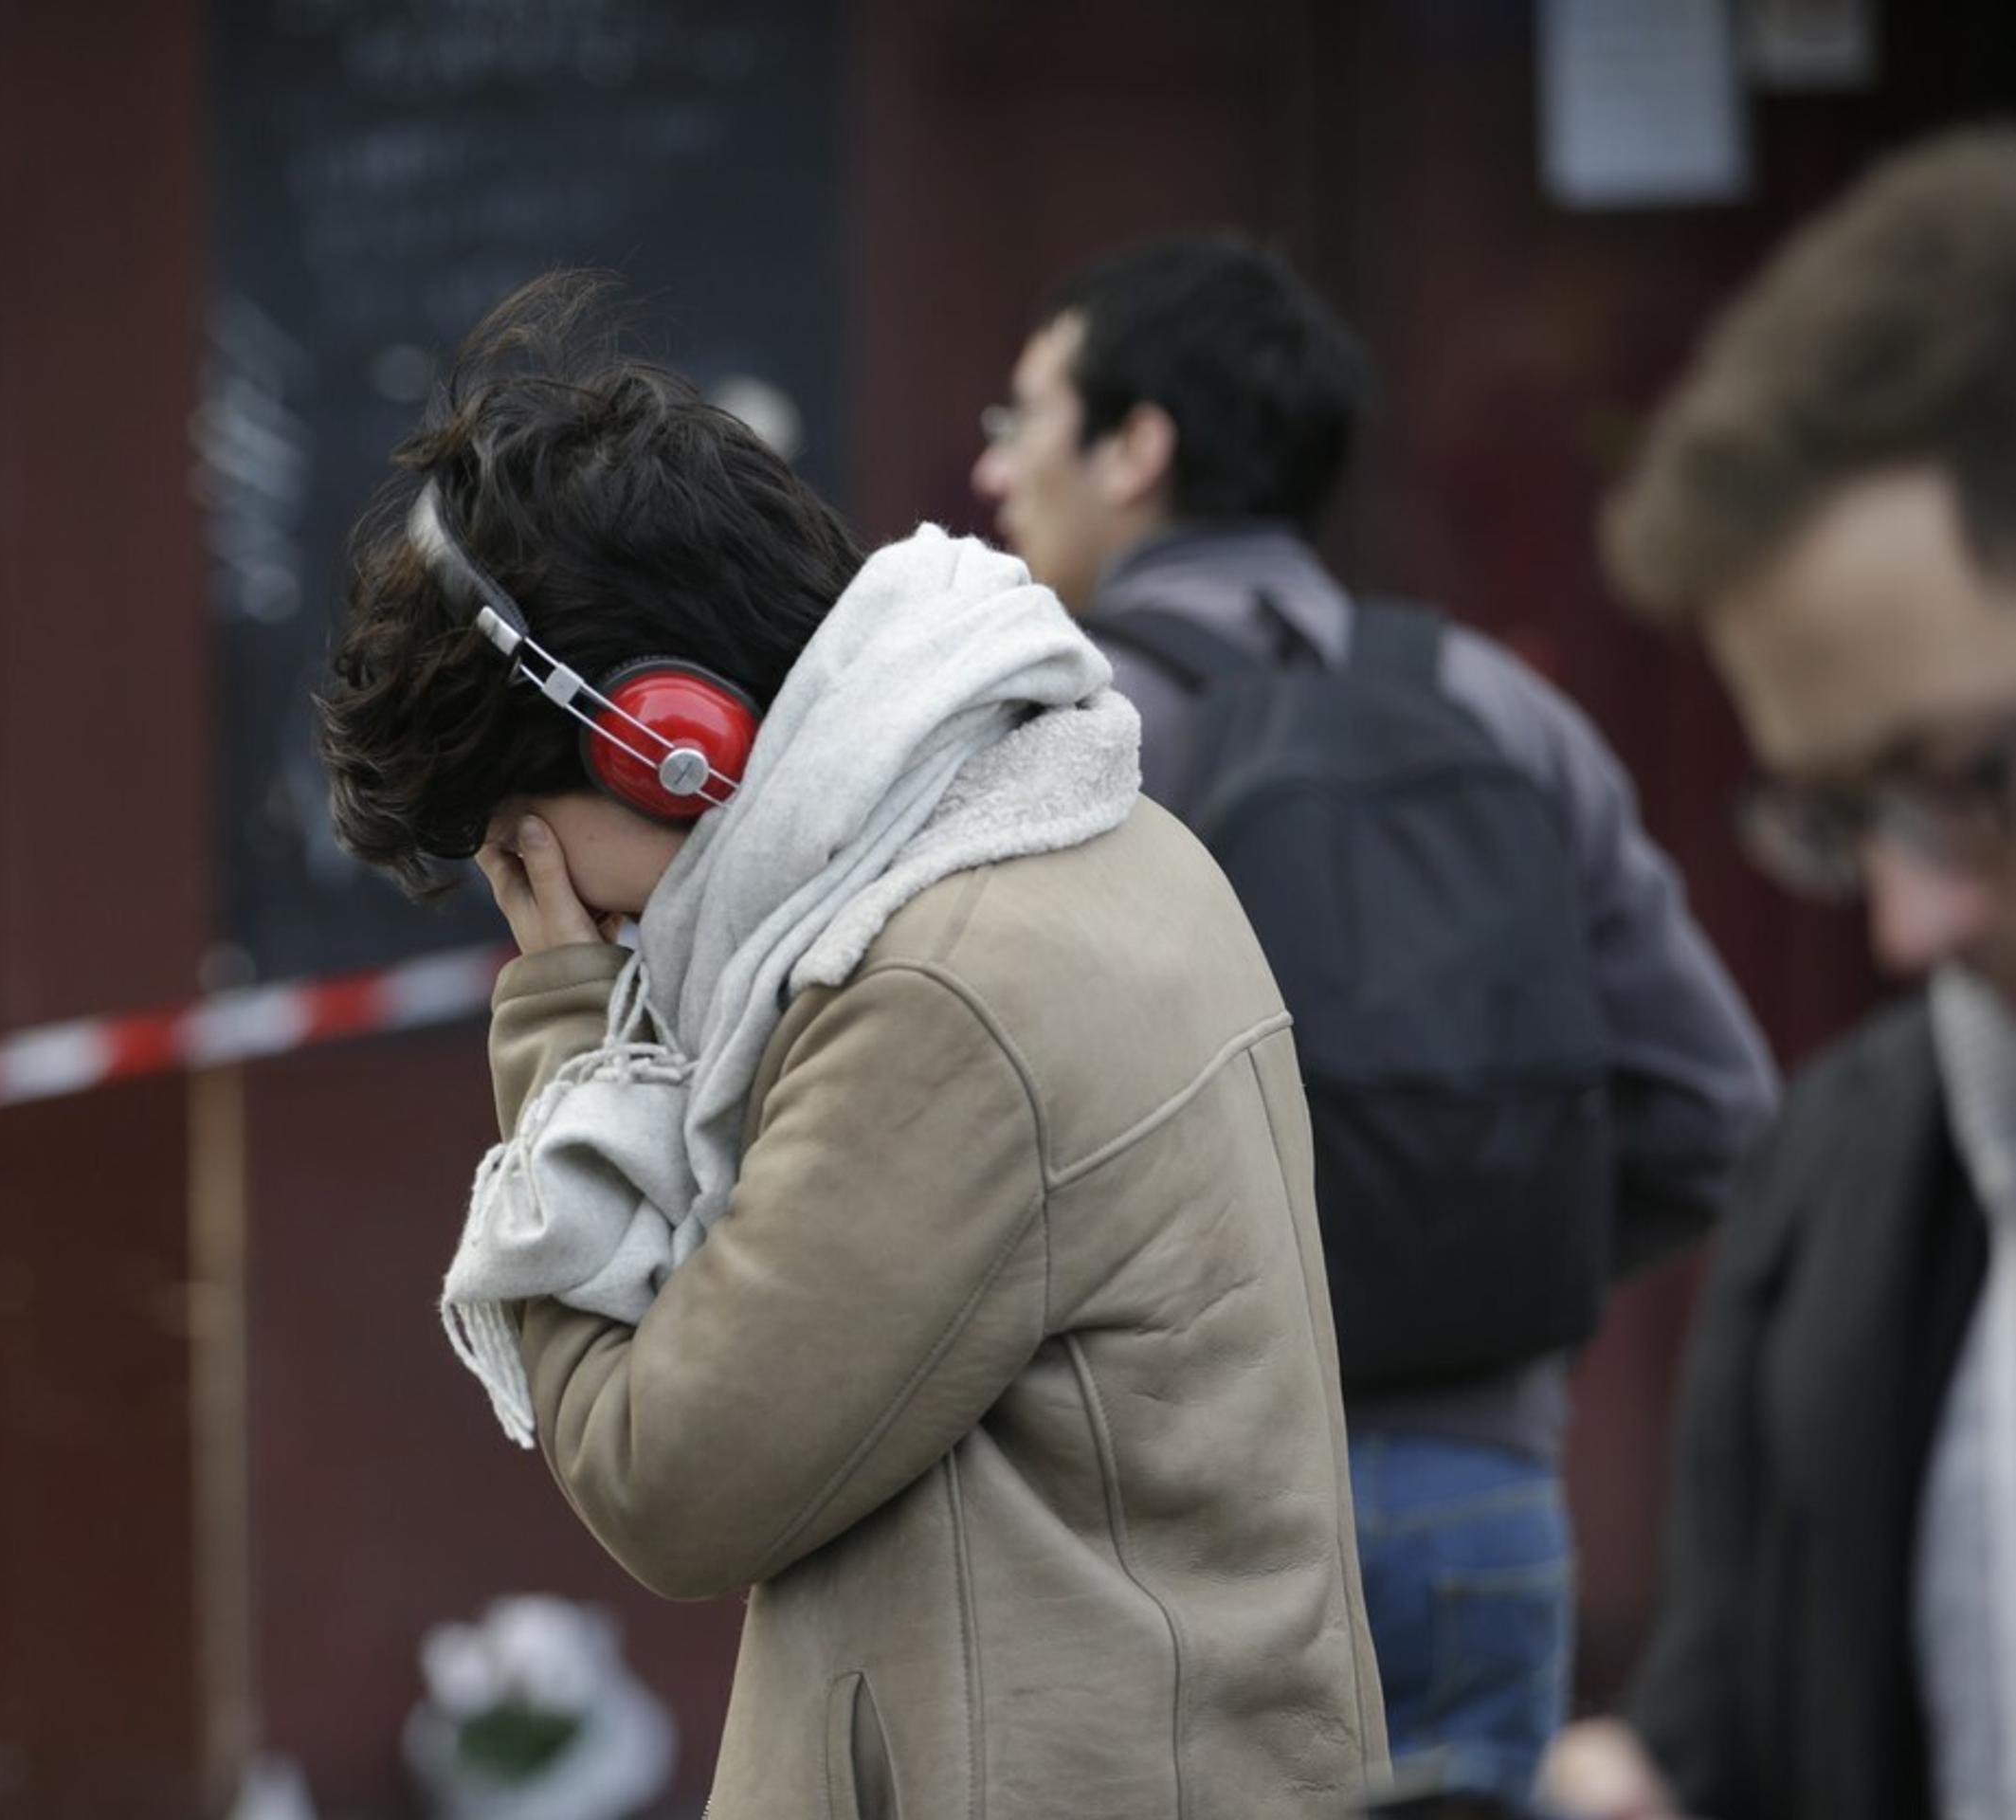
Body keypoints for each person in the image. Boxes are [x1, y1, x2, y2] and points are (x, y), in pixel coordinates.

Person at [316, 274, 1387, 1818]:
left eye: (519, 846)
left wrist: (558, 1037)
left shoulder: (943, 989)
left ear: (667, 744)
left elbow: (667, 1483)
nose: (553, 910)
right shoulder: (1072, 832)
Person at [973, 236, 1776, 1806]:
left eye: (1025, 419)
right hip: (1480, 1497)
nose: (999, 469)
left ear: (1136, 448)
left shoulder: (1055, 746)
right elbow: (1713, 1111)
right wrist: (1480, 1249)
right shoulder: (1502, 709)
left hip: (1164, 1526)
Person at [1536, 128, 2016, 1820]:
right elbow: (1729, 1729)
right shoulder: (1845, 1180)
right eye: (1836, 815)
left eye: (1979, 780)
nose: (1909, 925)